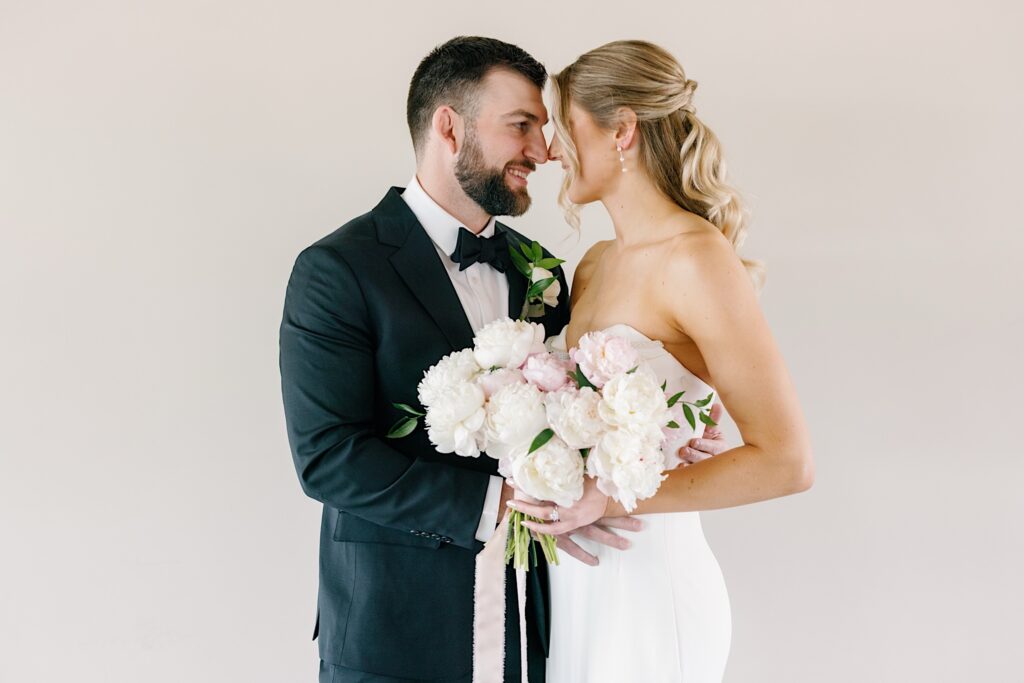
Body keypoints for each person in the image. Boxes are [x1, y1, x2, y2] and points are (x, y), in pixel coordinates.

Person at [505, 40, 815, 682]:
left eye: (565, 126)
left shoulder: (696, 259)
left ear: (622, 130)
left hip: (651, 587)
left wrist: (611, 499)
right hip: (577, 588)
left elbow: (788, 462)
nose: (552, 150)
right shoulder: (594, 265)